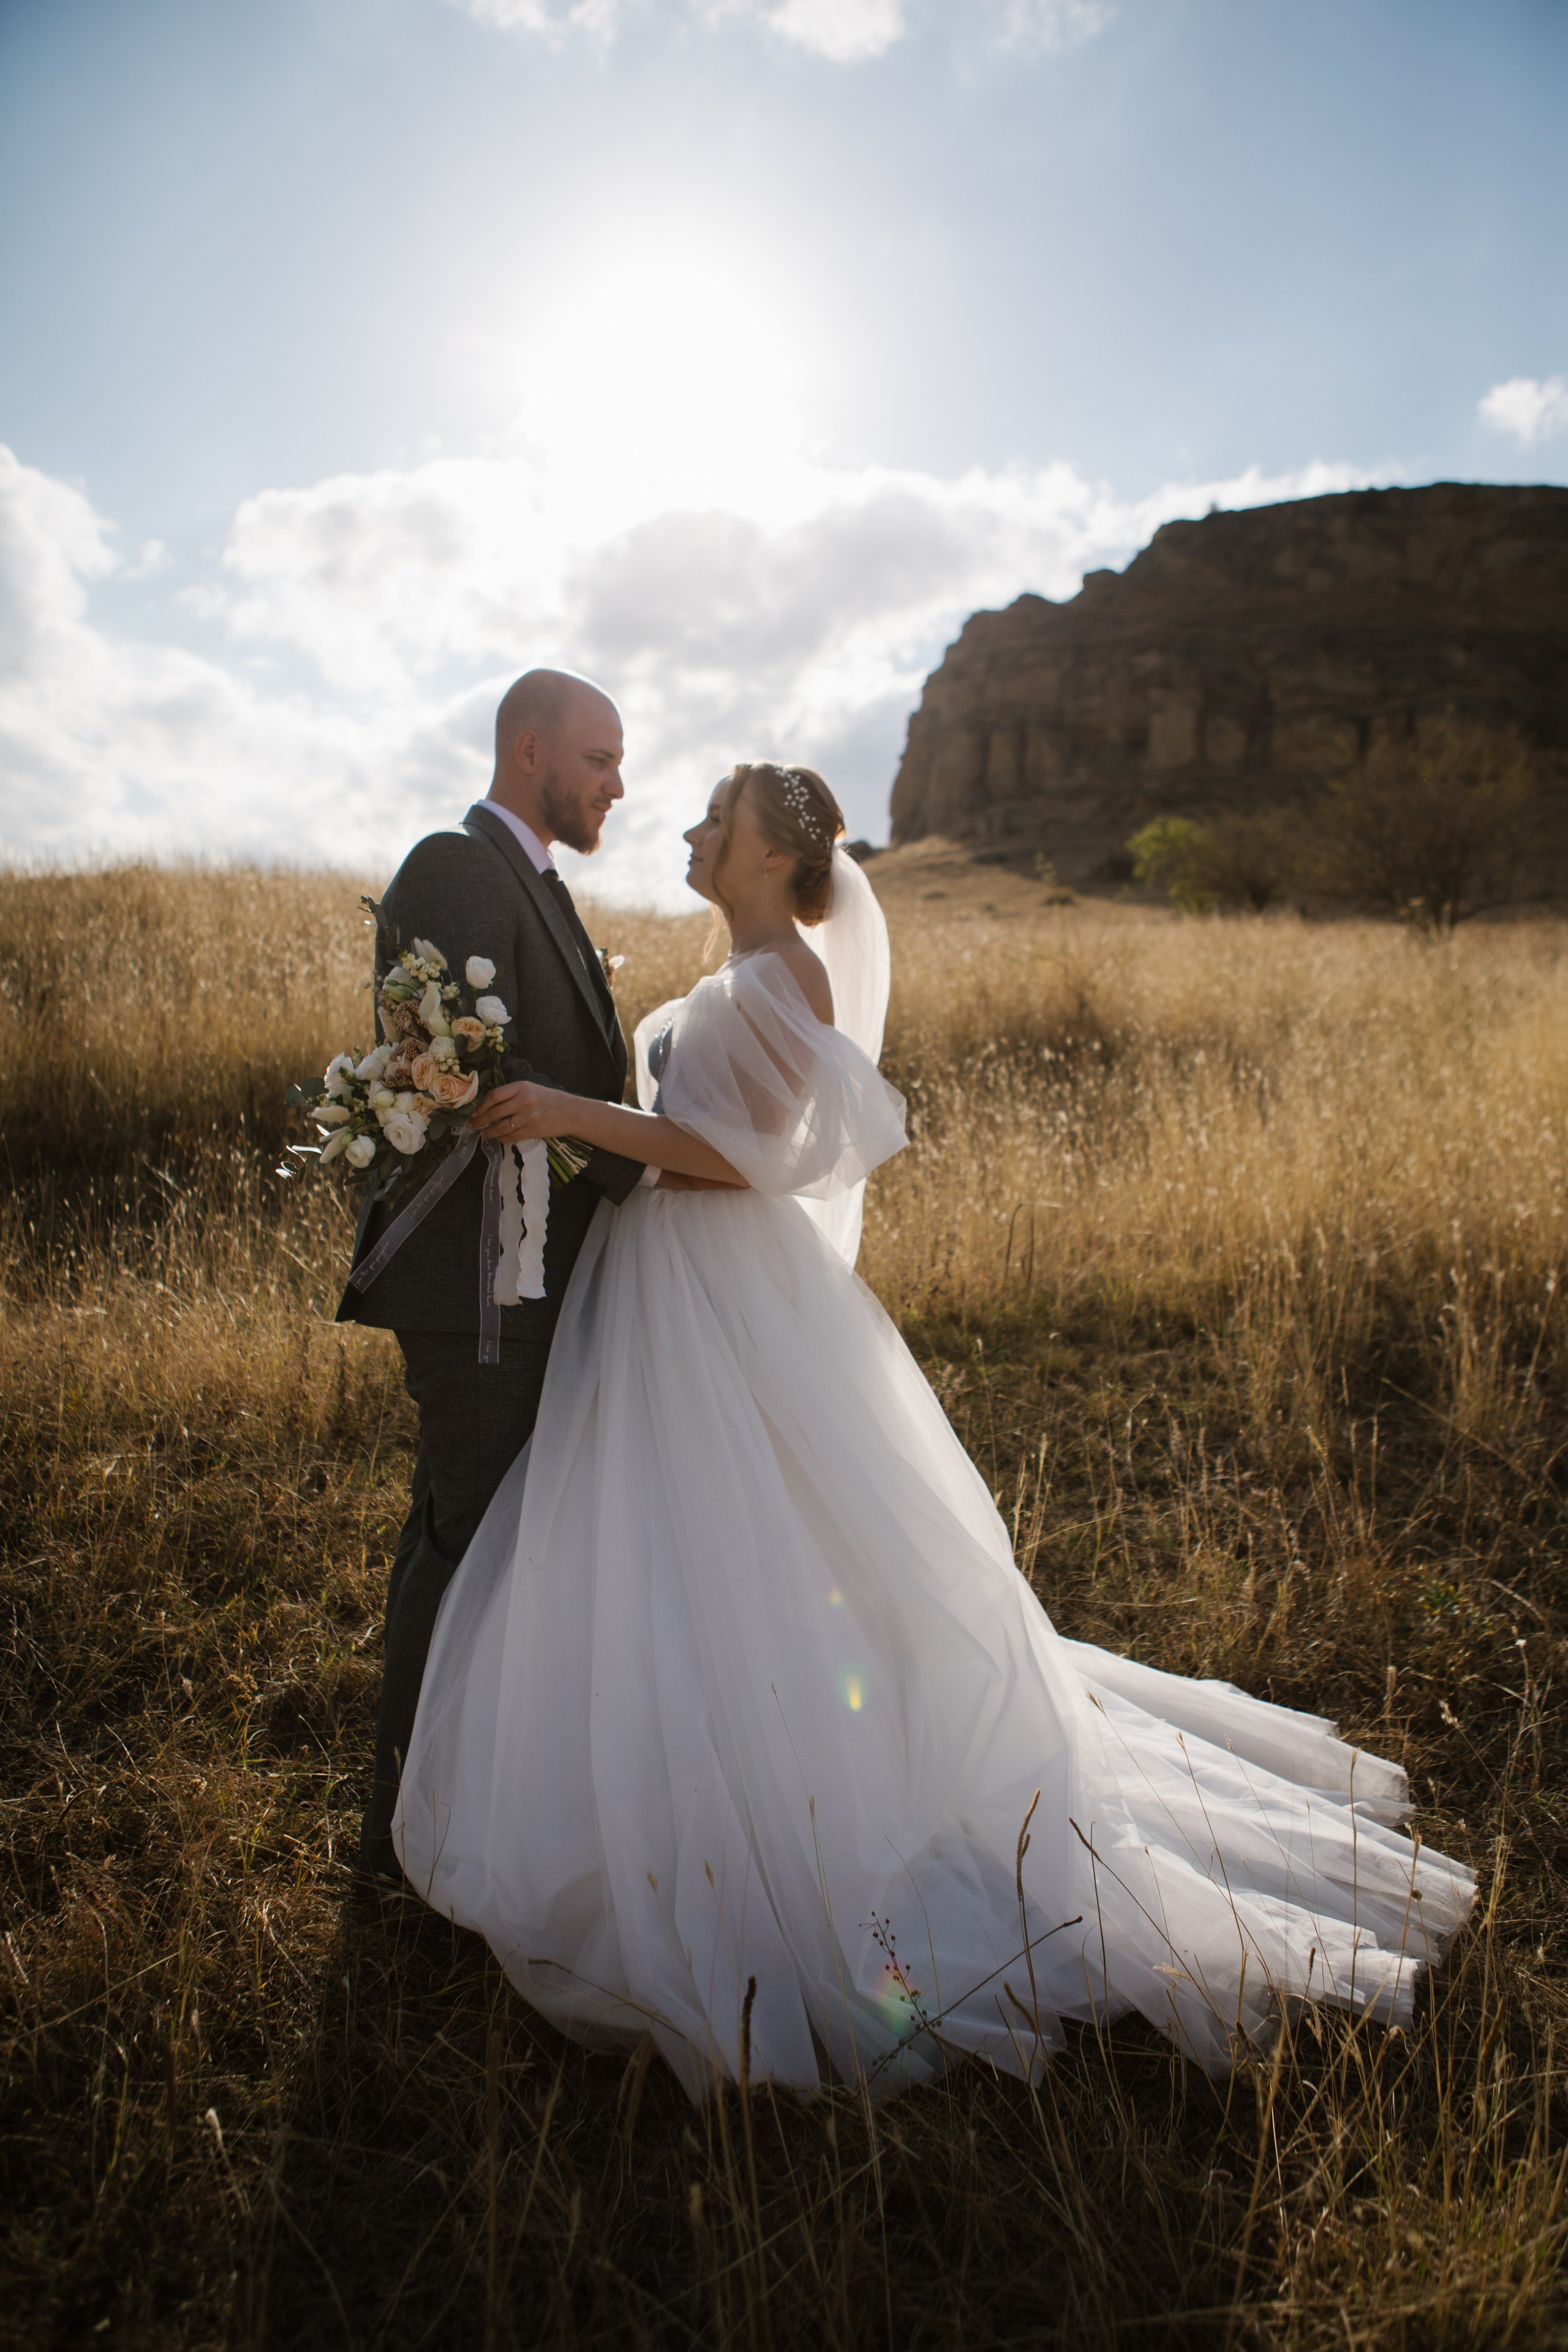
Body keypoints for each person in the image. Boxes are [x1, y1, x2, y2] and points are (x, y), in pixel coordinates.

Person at [394, 760, 1476, 2100]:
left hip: (723, 1289)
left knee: (760, 1532)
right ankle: (686, 1778)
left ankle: (806, 1818)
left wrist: (567, 1115)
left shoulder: (787, 978)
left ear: (766, 856)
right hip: (665, 1287)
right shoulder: (735, 974)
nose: (682, 828)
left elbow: (756, 1157)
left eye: (709, 821)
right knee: (679, 1537)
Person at [341, 668, 696, 1890]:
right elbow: (469, 1091)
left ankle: (446, 1802)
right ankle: (404, 1837)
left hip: (537, 1265)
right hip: (482, 1275)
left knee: (468, 1523)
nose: (616, 784)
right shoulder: (455, 865)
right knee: (468, 1534)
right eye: (599, 759)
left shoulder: (532, 883)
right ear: (530, 749)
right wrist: (651, 1161)